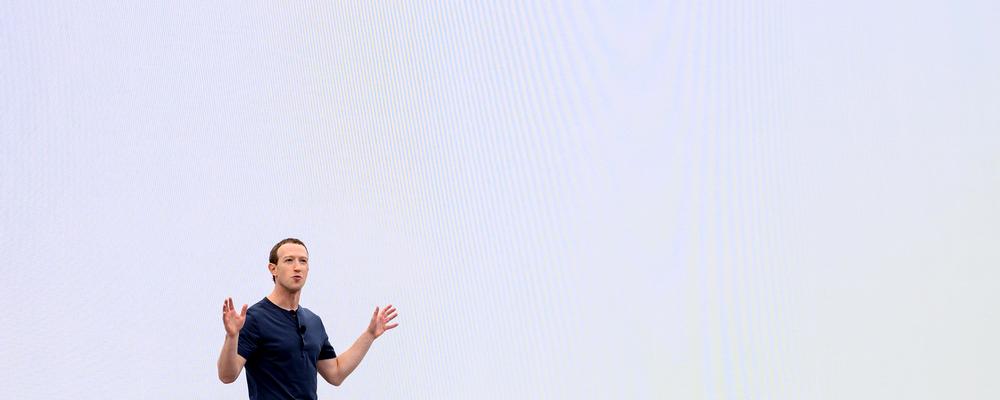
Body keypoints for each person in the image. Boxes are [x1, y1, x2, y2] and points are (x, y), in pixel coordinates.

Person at [217, 238, 398, 399]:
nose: (297, 267)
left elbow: (335, 373)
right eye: (289, 260)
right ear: (273, 269)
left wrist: (369, 335)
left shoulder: (313, 321)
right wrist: (231, 336)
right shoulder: (255, 318)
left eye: (303, 261)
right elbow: (227, 375)